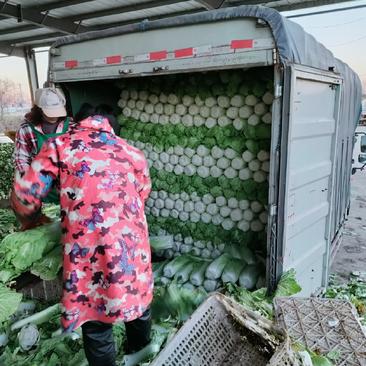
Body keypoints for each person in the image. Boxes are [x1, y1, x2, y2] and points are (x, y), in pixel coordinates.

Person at [11, 111, 153, 366]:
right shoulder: (133, 153)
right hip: (133, 247)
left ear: (78, 122)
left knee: (97, 320)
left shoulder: (60, 146)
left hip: (90, 254)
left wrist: (30, 220)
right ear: (110, 127)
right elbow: (142, 195)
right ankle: (141, 357)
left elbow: (25, 197)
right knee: (138, 306)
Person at [14, 87, 73, 204]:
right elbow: (21, 158)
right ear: (39, 110)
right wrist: (29, 182)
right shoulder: (26, 129)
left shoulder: (71, 126)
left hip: (69, 188)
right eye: (50, 112)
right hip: (41, 190)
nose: (54, 116)